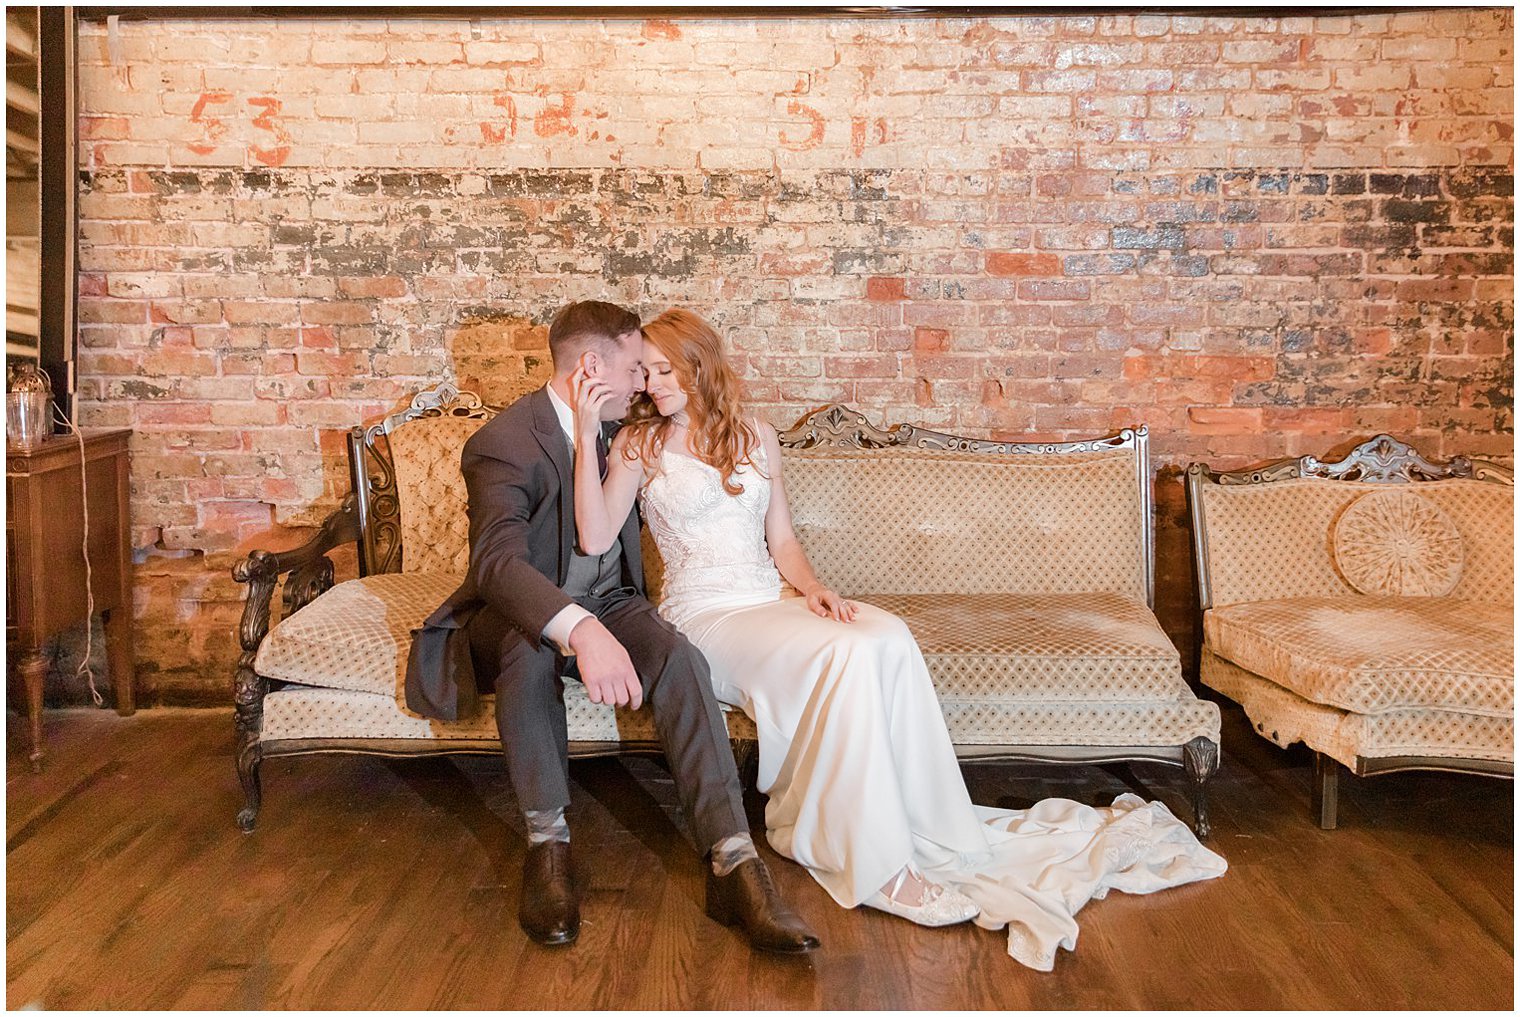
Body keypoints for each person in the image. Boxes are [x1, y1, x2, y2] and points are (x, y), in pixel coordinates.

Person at [569, 307, 1227, 970]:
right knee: (846, 651)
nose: (653, 383)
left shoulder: (755, 436)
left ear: (698, 365)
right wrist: (582, 436)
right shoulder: (638, 445)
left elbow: (783, 541)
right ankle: (878, 864)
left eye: (664, 369)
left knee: (882, 632)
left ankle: (932, 828)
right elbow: (595, 538)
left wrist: (814, 588)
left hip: (769, 598)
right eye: (645, 371)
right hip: (704, 618)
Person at [405, 300, 818, 954]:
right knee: (529, 651)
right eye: (634, 368)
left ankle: (732, 858)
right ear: (593, 366)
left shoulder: (627, 430)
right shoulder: (505, 441)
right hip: (523, 613)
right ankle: (549, 844)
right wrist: (578, 630)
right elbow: (496, 564)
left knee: (681, 657)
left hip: (615, 598)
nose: (644, 384)